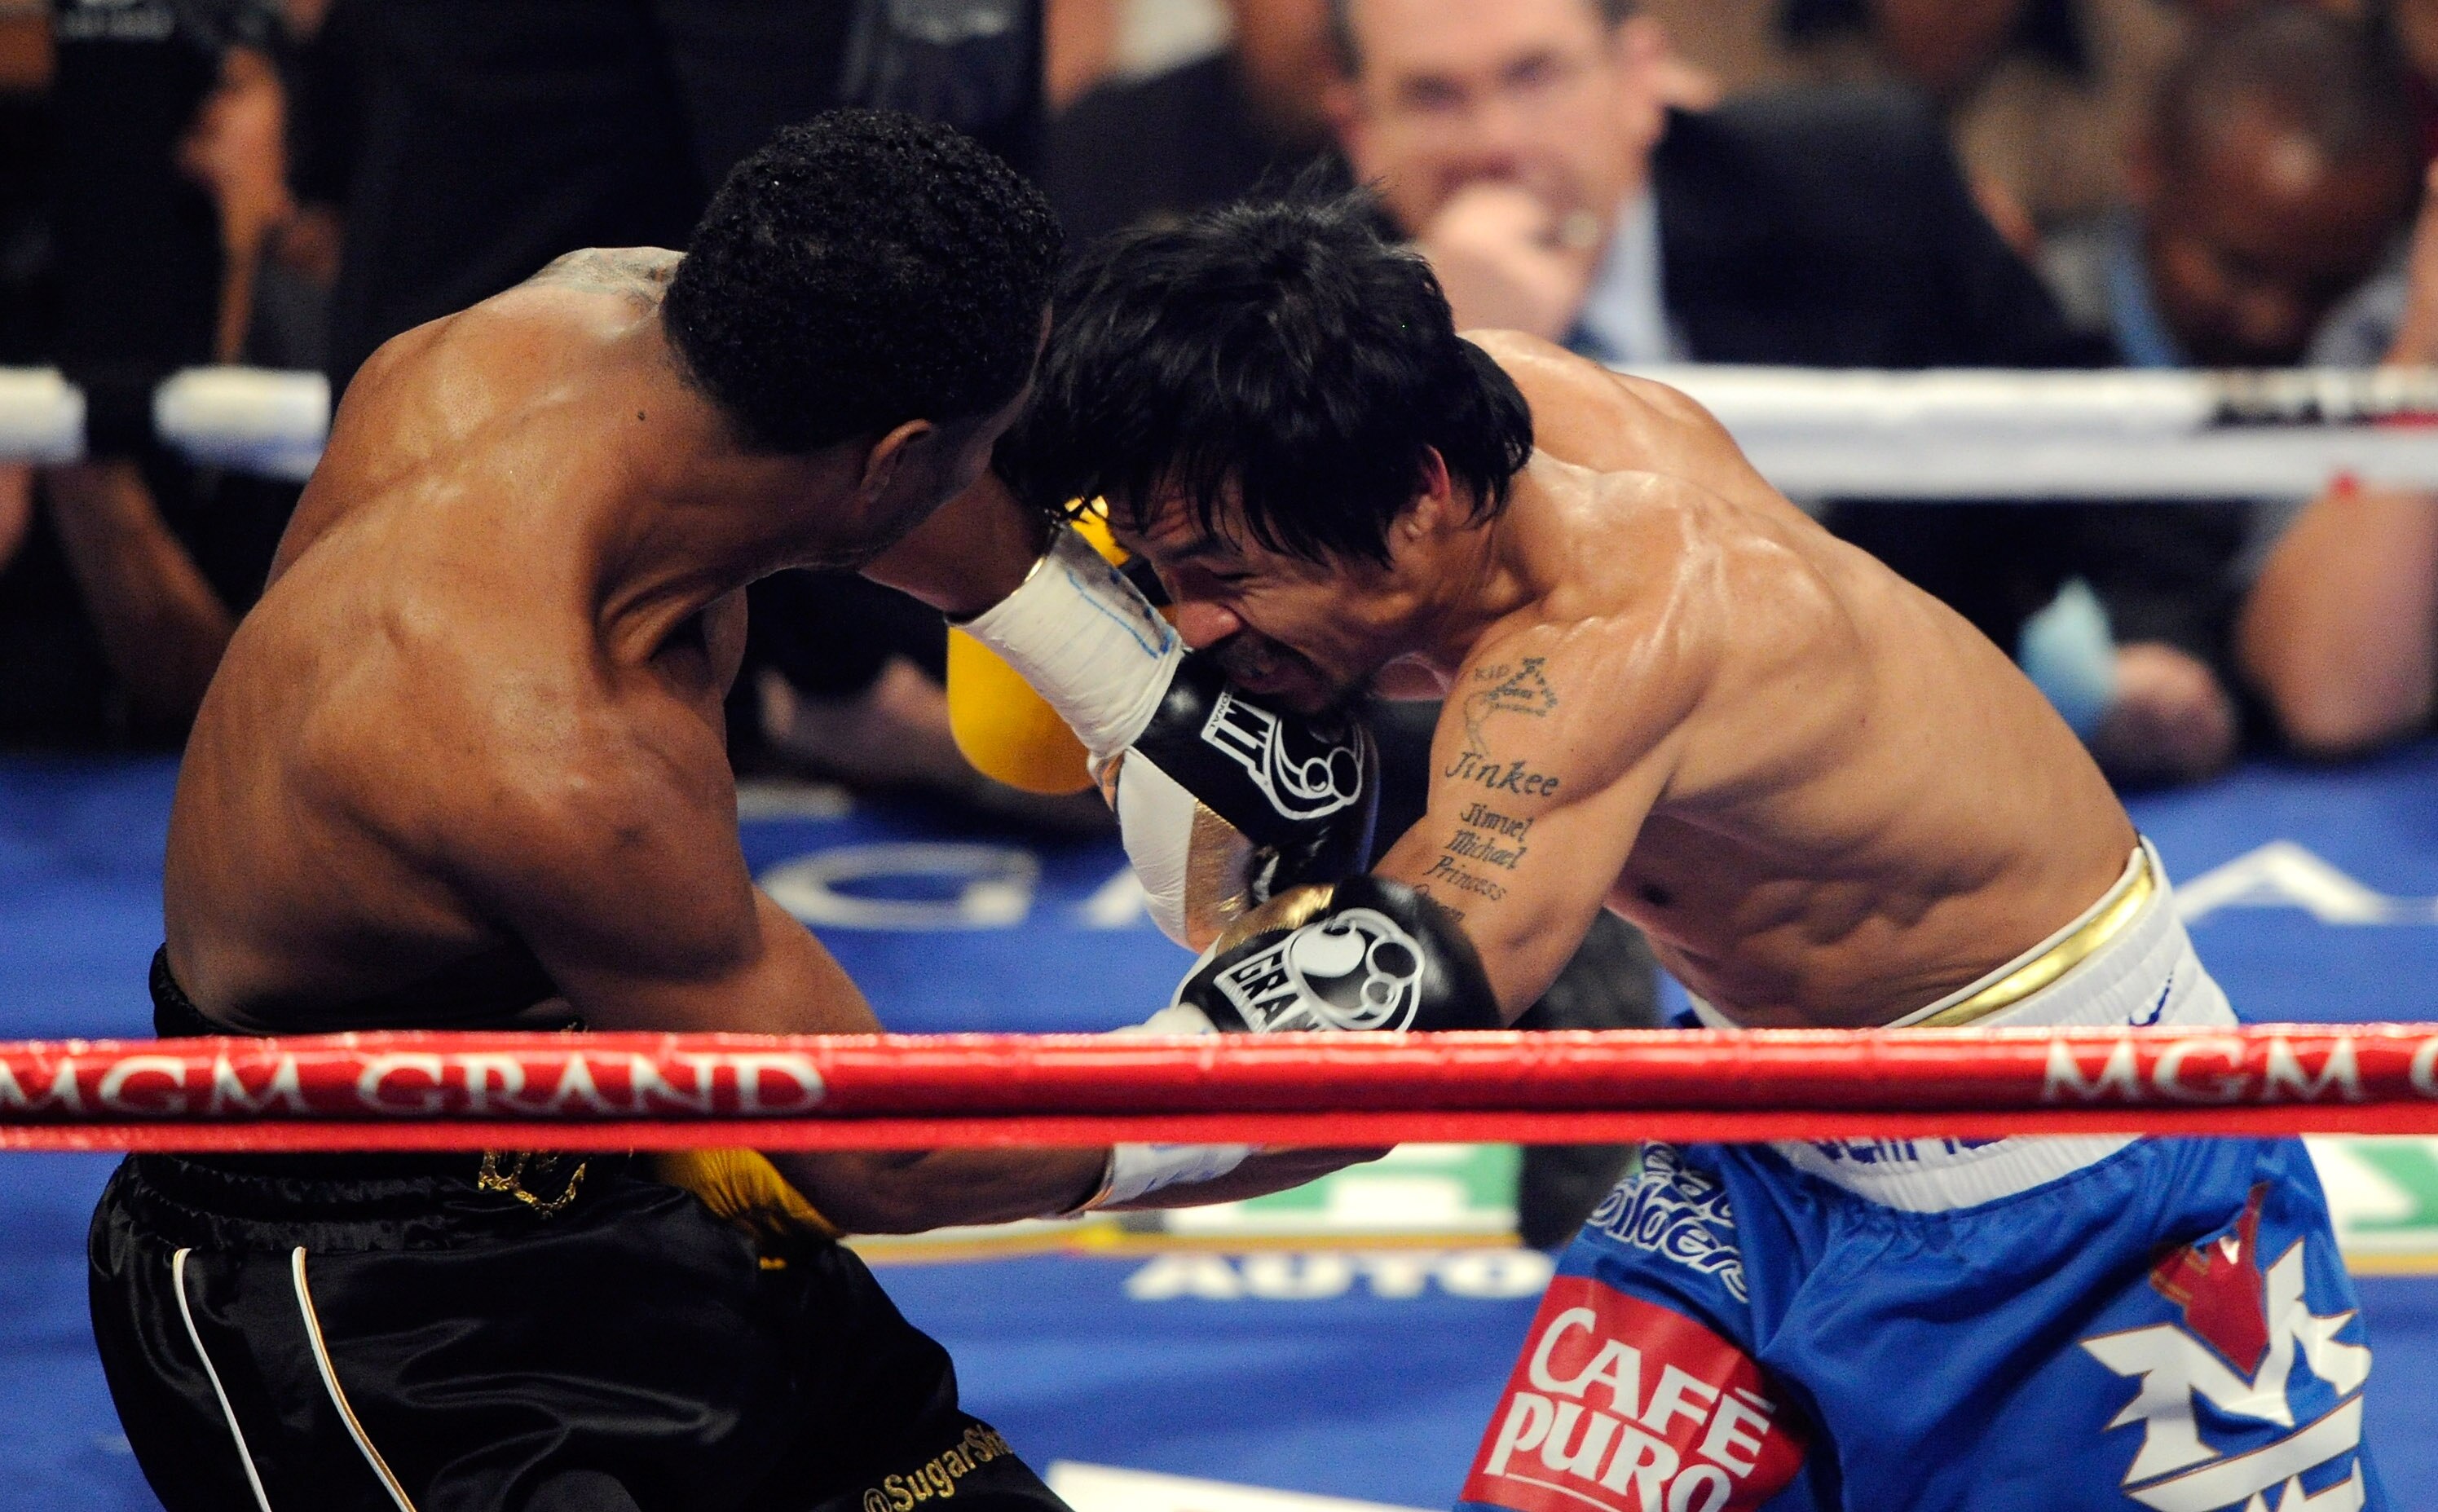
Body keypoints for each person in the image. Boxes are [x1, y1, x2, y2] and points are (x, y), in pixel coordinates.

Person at [881, 192, 2382, 1505]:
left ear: (1414, 506)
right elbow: (1006, 488)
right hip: (1765, 1143)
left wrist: (944, 1164)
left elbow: (1374, 1049)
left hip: (2084, 1195)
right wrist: (1057, 620)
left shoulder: (1616, 636)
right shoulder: (1429, 416)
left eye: (1224, 579)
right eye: (1163, 575)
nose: (1193, 627)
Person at [89, 112, 1265, 1512]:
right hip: (372, 1307)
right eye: (980, 451)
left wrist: (1130, 685)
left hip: (641, 1164)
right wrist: (1264, 1075)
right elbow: (888, 1156)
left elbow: (892, 476)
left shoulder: (602, 317)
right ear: (890, 461)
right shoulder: (550, 748)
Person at [1320, 0, 2244, 787]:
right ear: (1360, 127)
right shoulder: (1299, 316)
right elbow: (1300, 665)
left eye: (1535, 75)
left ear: (1640, 79)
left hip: (1897, 794)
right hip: (1541, 830)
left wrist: (2140, 653)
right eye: (1433, 95)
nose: (1498, 144)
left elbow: (2114, 460)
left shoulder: (1861, 185)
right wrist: (1434, 363)